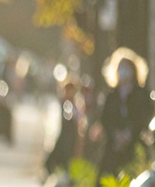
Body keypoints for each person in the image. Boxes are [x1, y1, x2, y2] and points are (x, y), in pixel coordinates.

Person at [94, 49, 153, 178]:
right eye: (121, 67)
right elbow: (105, 118)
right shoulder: (111, 96)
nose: (124, 71)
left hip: (136, 141)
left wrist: (130, 133)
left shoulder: (141, 94)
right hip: (113, 144)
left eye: (127, 68)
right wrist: (115, 135)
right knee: (107, 176)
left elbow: (145, 116)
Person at [45, 77, 81, 178]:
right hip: (62, 136)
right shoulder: (62, 104)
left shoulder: (74, 105)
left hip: (70, 138)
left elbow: (76, 121)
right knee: (52, 161)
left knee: (67, 161)